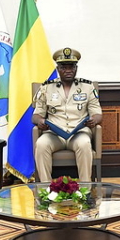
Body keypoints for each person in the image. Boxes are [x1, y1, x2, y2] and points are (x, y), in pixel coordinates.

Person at [33, 47, 103, 182]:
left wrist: (93, 120)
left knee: (84, 144)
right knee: (41, 144)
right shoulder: (46, 87)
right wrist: (40, 121)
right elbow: (36, 115)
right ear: (58, 69)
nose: (68, 70)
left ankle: (85, 190)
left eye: (71, 67)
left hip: (78, 133)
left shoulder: (88, 87)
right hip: (54, 134)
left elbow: (98, 113)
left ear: (76, 68)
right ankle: (46, 191)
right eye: (63, 67)